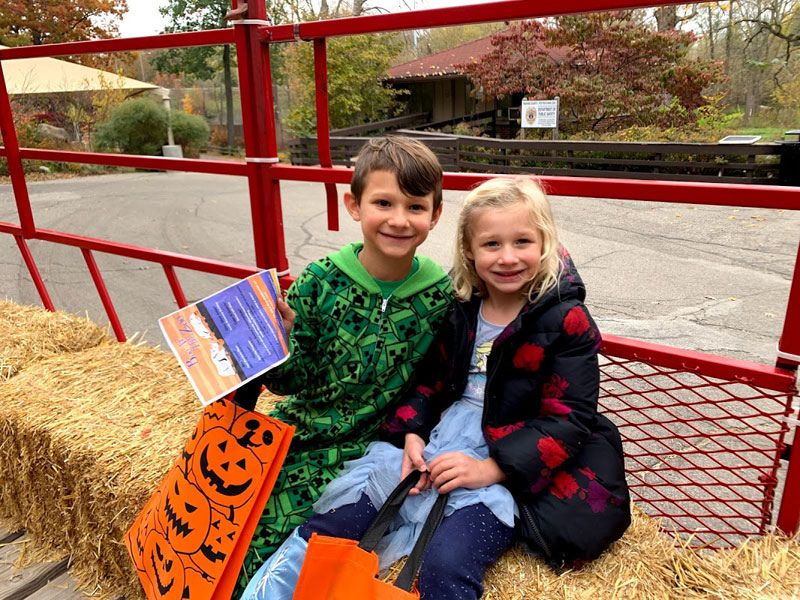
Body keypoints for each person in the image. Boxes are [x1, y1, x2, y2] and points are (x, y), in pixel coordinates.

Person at [241, 177, 631, 600]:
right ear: (468, 249)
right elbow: (428, 381)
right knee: (332, 527)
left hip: (507, 462)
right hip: (436, 444)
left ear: (545, 243)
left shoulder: (566, 320)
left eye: (522, 242)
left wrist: (491, 469)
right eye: (491, 245)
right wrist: (411, 434)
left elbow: (569, 418)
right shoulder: (462, 306)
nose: (507, 258)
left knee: (448, 567)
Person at [232, 136, 453, 596]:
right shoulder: (320, 280)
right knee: (236, 522)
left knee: (290, 534)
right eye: (383, 203)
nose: (398, 219)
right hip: (305, 431)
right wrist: (280, 343)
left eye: (415, 207)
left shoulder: (441, 298)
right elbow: (292, 382)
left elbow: (439, 382)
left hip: (375, 446)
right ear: (354, 205)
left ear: (435, 215)